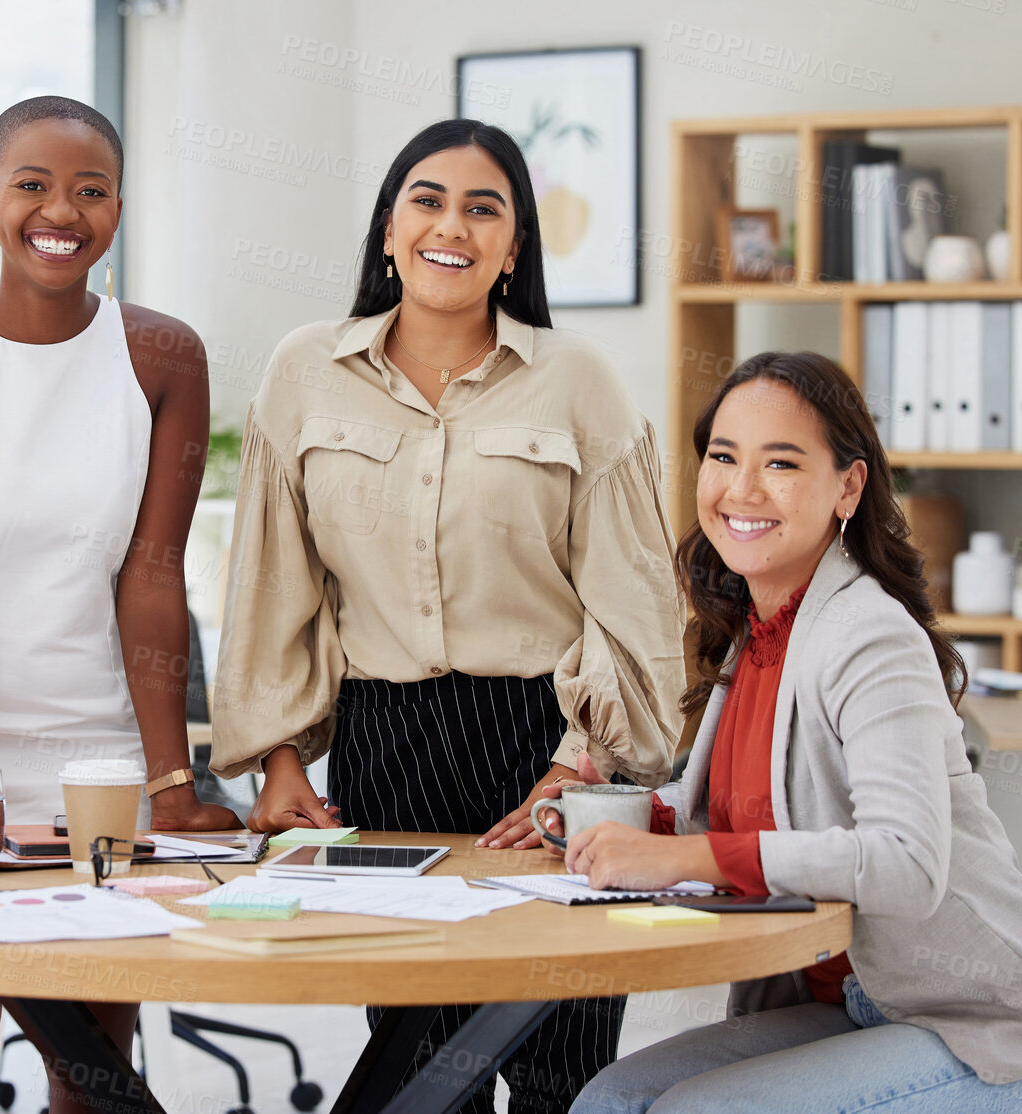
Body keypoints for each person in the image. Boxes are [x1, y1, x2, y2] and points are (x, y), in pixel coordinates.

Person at [210, 118, 686, 1114]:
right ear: (389, 229)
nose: (451, 225)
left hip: (548, 747)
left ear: (513, 249)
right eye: (426, 199)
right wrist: (282, 759)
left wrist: (578, 765)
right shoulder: (303, 373)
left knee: (562, 1066)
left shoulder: (577, 382)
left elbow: (636, 600)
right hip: (387, 750)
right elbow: (269, 584)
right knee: (423, 1075)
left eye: (484, 208)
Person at [558, 351, 1022, 1113]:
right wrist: (618, 818)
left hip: (988, 1039)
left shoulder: (868, 635)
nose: (741, 490)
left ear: (847, 487)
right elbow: (755, 810)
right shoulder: (753, 631)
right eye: (723, 457)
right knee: (610, 1100)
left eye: (780, 463)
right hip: (850, 1005)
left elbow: (904, 863)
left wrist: (681, 855)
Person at [0, 95, 241, 1114]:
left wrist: (167, 779)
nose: (59, 210)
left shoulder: (163, 357)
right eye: (31, 185)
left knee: (96, 1053)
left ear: (118, 210)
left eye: (89, 189)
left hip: (91, 748)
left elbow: (151, 578)